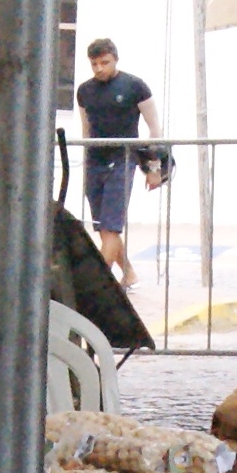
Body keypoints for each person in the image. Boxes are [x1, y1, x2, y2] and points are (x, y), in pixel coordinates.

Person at [76, 37, 164, 288]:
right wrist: (86, 164)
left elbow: (155, 129)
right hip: (95, 161)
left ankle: (96, 286)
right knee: (103, 227)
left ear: (115, 59)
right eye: (94, 64)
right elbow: (86, 129)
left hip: (123, 160)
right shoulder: (84, 91)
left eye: (105, 62)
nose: (99, 68)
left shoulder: (135, 86)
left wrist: (154, 168)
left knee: (111, 227)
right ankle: (129, 274)